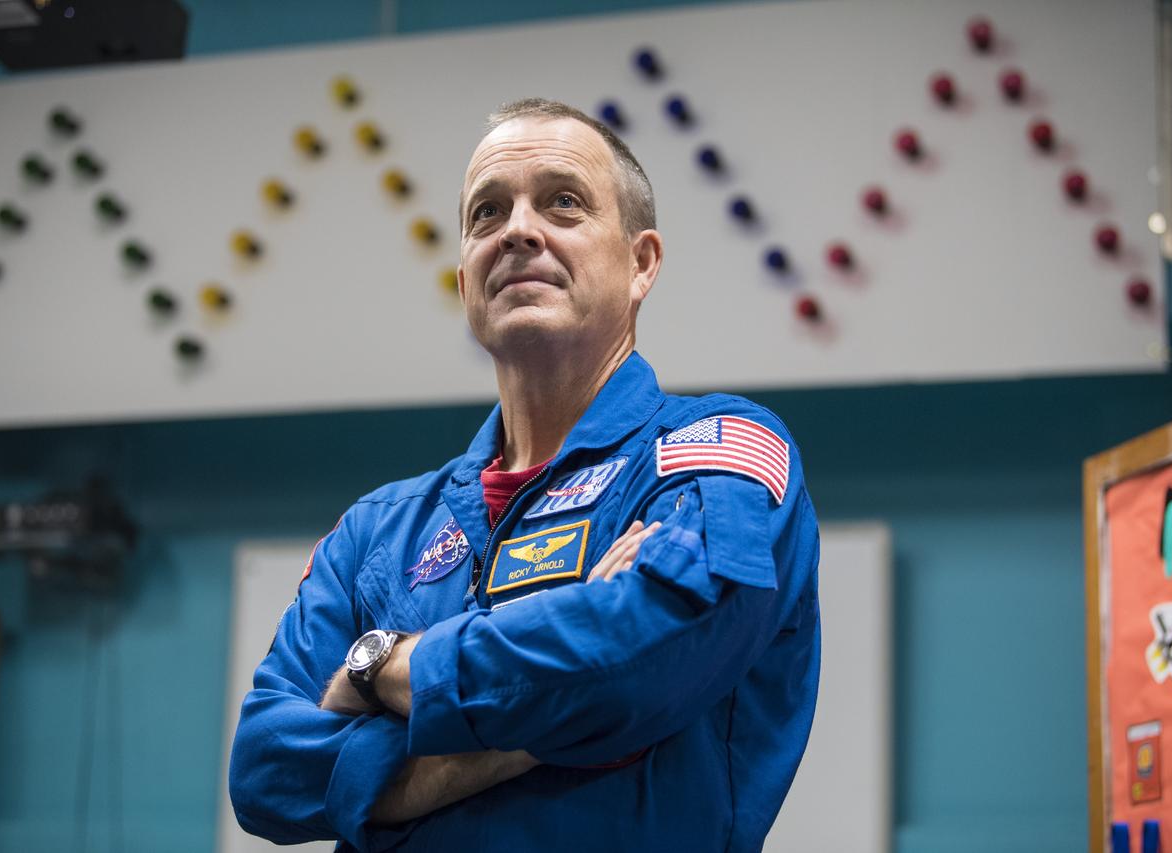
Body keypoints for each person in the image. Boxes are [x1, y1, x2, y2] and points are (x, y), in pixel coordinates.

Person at [228, 98, 820, 853]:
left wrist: (382, 668)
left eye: (563, 202)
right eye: (487, 213)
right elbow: (263, 770)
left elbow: (644, 659)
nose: (517, 230)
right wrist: (549, 719)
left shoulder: (717, 451)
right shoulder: (377, 530)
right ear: (465, 277)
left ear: (641, 263)